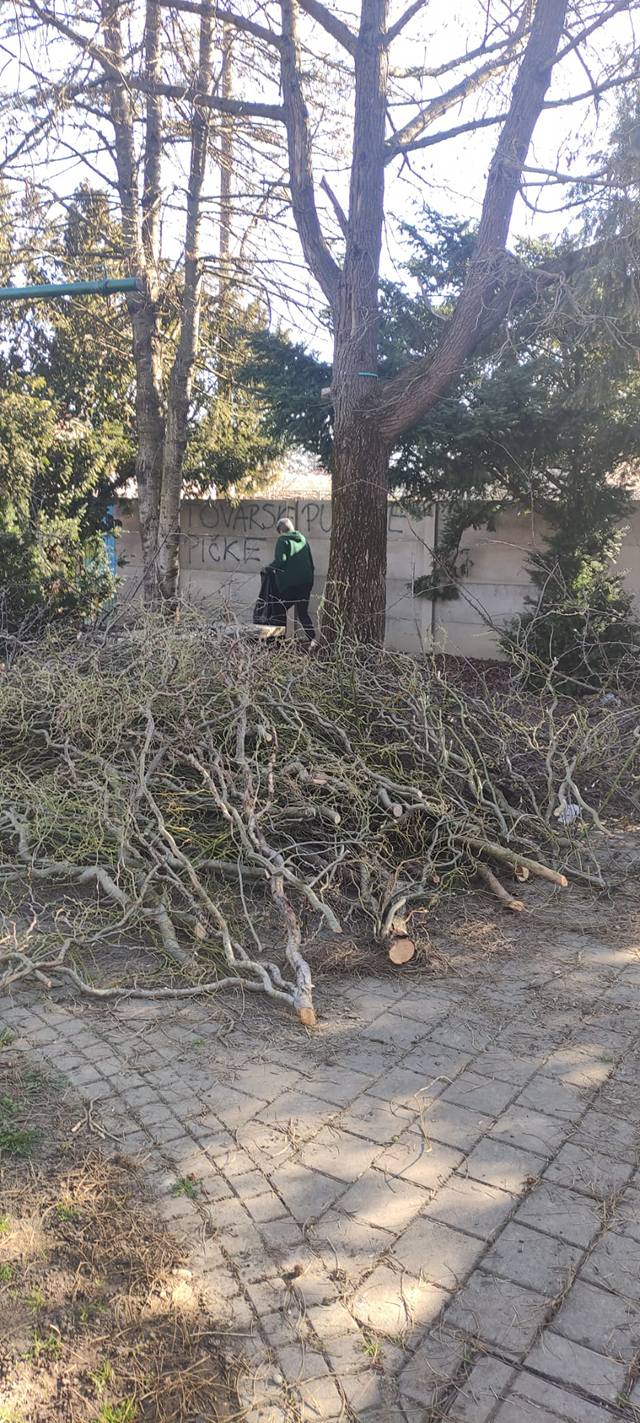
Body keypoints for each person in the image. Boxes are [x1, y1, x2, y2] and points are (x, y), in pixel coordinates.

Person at [265, 517, 316, 645]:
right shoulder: (302, 539)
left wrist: (268, 568)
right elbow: (311, 563)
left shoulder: (283, 540)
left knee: (278, 610)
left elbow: (280, 561)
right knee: (303, 613)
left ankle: (277, 643)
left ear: (280, 530)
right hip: (306, 582)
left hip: (290, 584)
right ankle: (313, 640)